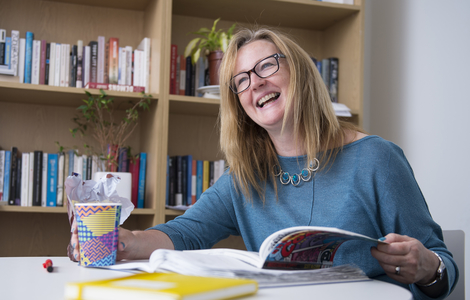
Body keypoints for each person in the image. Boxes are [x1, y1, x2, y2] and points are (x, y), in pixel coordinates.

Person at [69, 27, 458, 299]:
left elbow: (443, 267)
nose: (254, 83)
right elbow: (185, 233)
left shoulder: (376, 158)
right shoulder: (245, 178)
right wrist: (124, 242)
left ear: (300, 73)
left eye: (267, 66)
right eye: (240, 80)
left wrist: (427, 267)